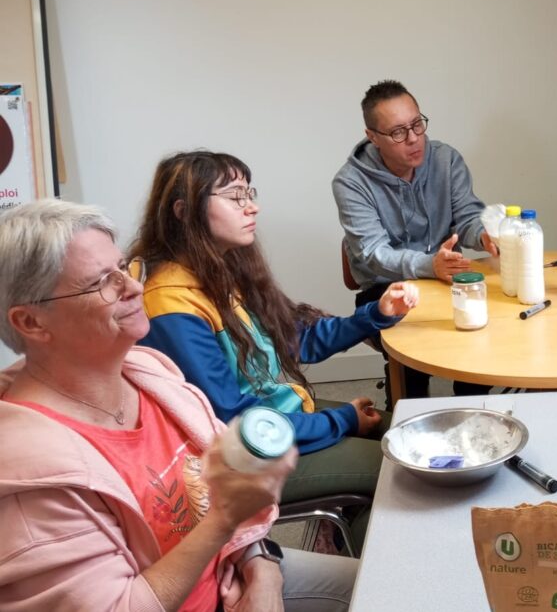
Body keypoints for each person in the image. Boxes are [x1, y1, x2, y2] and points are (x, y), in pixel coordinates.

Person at [0, 199, 358, 611]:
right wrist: (225, 519)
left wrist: (263, 570)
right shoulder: (29, 479)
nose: (134, 287)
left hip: (232, 571)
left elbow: (227, 501)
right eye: (103, 281)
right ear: (31, 322)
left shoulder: (150, 374)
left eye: (124, 267)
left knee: (392, 586)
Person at [130, 151, 418, 551]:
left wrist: (376, 314)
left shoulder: (218, 269)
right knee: (398, 470)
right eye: (234, 197)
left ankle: (347, 550)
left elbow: (295, 340)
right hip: (242, 458)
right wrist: (341, 422)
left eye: (249, 192)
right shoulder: (171, 304)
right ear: (184, 211)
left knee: (408, 427)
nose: (253, 206)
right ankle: (362, 573)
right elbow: (232, 421)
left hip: (277, 420)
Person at [332, 79, 496, 400]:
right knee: (412, 362)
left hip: (446, 279)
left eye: (417, 124)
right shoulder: (350, 182)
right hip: (385, 289)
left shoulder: (446, 160)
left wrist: (486, 234)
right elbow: (372, 252)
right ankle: (408, 416)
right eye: (398, 132)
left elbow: (467, 216)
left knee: (484, 332)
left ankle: (473, 411)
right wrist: (427, 265)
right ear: (373, 137)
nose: (414, 139)